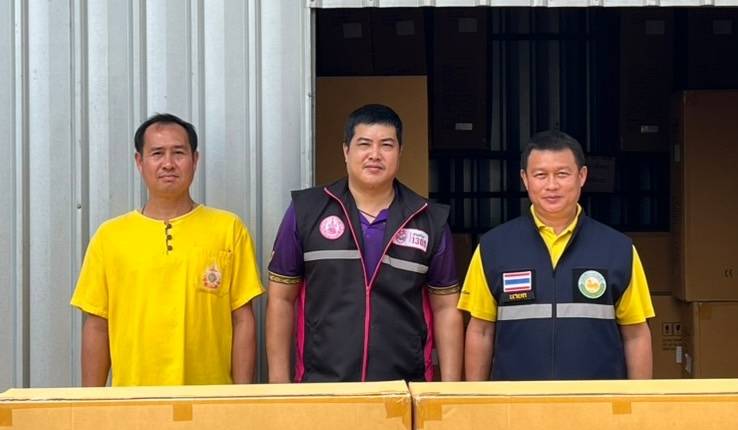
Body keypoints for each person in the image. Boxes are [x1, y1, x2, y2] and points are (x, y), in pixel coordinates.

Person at [265, 104, 463, 383]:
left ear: (400, 152)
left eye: (386, 145)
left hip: (404, 387)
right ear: (346, 151)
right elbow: (280, 299)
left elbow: (446, 309)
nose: (375, 154)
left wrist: (448, 390)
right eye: (364, 144)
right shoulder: (306, 211)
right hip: (322, 385)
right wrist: (279, 384)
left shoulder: (429, 219)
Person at [71, 113, 264, 386]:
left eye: (179, 153)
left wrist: (238, 398)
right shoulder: (109, 237)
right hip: (133, 399)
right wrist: (92, 402)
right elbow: (97, 326)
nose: (168, 164)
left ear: (195, 160)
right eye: (157, 153)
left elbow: (242, 320)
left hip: (209, 397)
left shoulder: (228, 229)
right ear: (140, 162)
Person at [460, 130, 654, 381]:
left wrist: (639, 400)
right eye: (540, 175)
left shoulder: (618, 249)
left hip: (597, 400)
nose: (551, 185)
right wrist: (476, 398)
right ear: (525, 179)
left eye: (562, 174)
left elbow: (636, 334)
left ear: (582, 176)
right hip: (517, 401)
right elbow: (481, 331)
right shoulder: (493, 247)